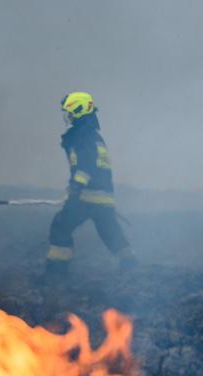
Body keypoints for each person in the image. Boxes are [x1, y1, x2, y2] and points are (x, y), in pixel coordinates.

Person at [44, 91, 136, 280]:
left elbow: (86, 165)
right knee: (109, 231)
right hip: (104, 196)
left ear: (79, 110)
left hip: (86, 196)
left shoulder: (82, 136)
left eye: (70, 112)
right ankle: (130, 263)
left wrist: (76, 187)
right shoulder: (94, 136)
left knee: (60, 226)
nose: (68, 117)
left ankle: (57, 272)